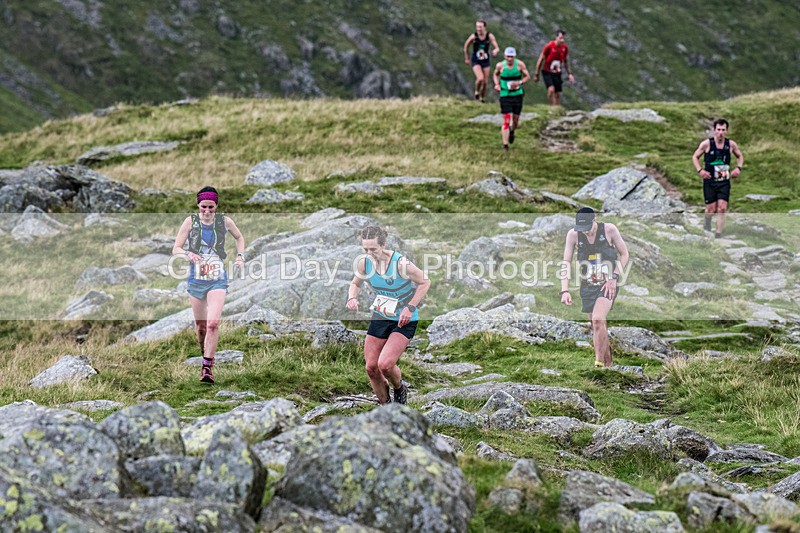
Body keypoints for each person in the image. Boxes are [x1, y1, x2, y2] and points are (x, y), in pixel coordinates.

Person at [346, 226, 430, 404]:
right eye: (365, 249)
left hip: (403, 319)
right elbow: (355, 283)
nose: (369, 253)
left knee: (385, 365)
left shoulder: (400, 264)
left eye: (373, 249)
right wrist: (352, 297)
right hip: (381, 316)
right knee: (371, 368)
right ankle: (387, 409)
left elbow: (424, 282)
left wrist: (410, 307)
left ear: (383, 245)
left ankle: (400, 388)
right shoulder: (364, 263)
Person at [172, 187, 245, 384]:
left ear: (216, 206)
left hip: (217, 278)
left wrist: (240, 256)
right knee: (201, 327)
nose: (207, 211)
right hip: (196, 279)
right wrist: (188, 254)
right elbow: (176, 248)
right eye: (203, 207)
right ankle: (204, 350)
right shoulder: (190, 221)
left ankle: (207, 368)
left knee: (213, 324)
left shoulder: (224, 221)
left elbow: (239, 237)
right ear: (198, 205)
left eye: (211, 207)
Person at [560, 208, 629, 368]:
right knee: (597, 325)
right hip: (588, 286)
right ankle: (608, 364)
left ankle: (598, 364)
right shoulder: (573, 235)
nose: (585, 232)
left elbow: (624, 254)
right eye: (581, 229)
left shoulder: (609, 230)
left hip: (608, 284)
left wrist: (614, 277)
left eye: (587, 228)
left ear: (594, 220)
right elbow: (566, 262)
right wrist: (565, 290)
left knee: (598, 319)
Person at [692, 118, 744, 238]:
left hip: (724, 182)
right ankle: (707, 222)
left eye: (723, 130)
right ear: (714, 130)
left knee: (722, 208)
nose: (721, 132)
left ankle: (718, 234)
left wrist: (738, 168)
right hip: (709, 181)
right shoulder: (706, 144)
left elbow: (740, 156)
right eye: (718, 129)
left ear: (726, 131)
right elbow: (695, 157)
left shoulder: (731, 145)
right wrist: (700, 170)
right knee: (711, 209)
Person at [493, 47, 531, 151]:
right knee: (506, 119)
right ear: (505, 56)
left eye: (512, 57)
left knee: (515, 120)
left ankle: (512, 131)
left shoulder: (520, 65)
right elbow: (495, 74)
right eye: (508, 56)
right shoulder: (500, 65)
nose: (510, 59)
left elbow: (527, 76)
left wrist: (519, 83)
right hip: (505, 94)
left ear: (514, 57)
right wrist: (497, 84)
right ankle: (505, 145)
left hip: (517, 94)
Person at [533, 30, 575, 106]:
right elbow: (541, 59)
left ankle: (557, 108)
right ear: (556, 38)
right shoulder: (549, 46)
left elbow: (565, 61)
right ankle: (551, 106)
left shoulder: (564, 48)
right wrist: (537, 73)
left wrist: (569, 74)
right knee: (551, 89)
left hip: (557, 72)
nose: (562, 40)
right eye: (560, 38)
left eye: (563, 38)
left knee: (557, 93)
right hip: (547, 71)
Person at [463, 20, 500, 102]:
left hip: (485, 60)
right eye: (477, 27)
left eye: (480, 27)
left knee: (485, 82)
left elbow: (496, 47)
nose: (478, 29)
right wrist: (467, 58)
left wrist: (495, 50)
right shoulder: (473, 37)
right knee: (480, 78)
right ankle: (476, 92)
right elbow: (466, 47)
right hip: (476, 60)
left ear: (484, 27)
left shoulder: (489, 36)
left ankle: (482, 98)